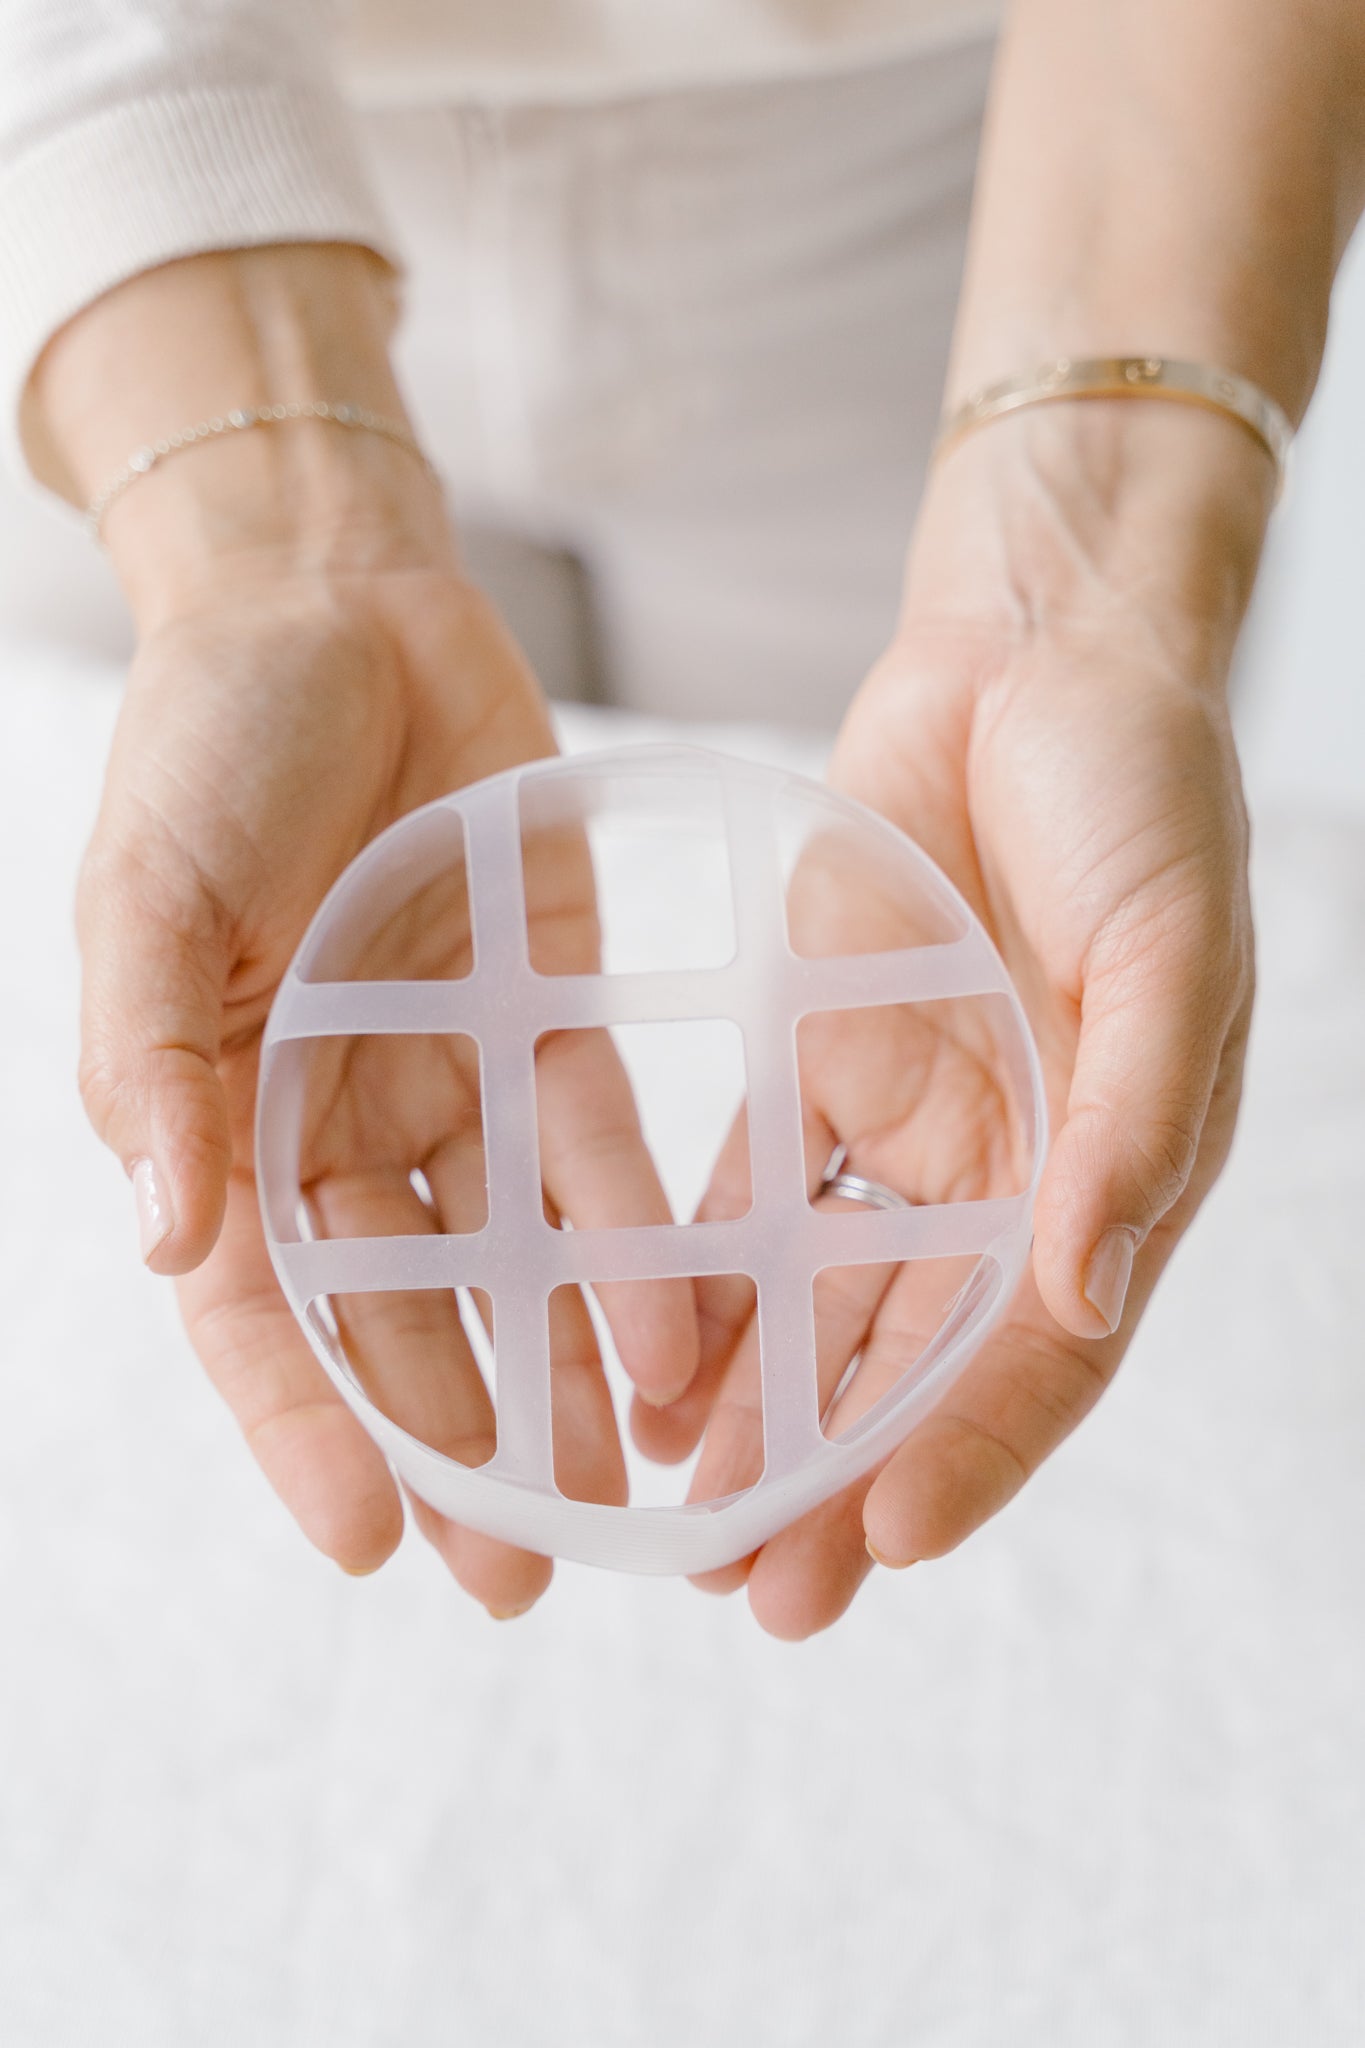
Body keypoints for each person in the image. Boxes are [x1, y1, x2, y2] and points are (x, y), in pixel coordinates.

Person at [4, 0, 1363, 1637]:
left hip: (988, 195)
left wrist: (1078, 547)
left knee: (953, 871)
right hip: (128, 200)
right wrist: (258, 548)